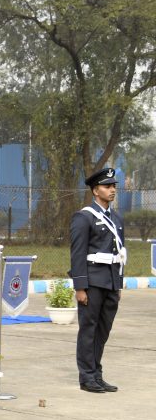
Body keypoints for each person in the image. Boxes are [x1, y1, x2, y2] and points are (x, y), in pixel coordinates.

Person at [69, 166, 125, 394]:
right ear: (95, 190)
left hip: (110, 283)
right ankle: (87, 377)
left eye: (113, 186)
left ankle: (97, 375)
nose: (112, 190)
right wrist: (80, 287)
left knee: (102, 331)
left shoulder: (117, 218)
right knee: (89, 330)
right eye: (107, 186)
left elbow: (119, 254)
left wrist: (118, 284)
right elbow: (78, 254)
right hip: (92, 283)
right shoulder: (84, 217)